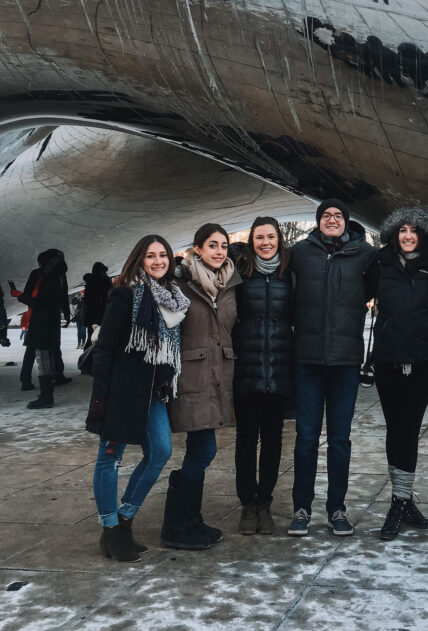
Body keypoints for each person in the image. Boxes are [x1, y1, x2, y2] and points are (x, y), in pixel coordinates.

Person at [86, 235, 189, 562]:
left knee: (160, 450)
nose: (158, 261)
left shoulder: (173, 299)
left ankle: (125, 518)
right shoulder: (126, 295)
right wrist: (102, 397)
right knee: (110, 459)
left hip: (153, 394)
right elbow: (104, 349)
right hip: (122, 393)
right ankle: (110, 528)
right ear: (139, 260)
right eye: (150, 256)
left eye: (163, 255)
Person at [288, 199, 377, 537]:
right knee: (306, 438)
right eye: (326, 215)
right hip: (308, 360)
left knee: (340, 439)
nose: (332, 220)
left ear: (347, 222)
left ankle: (337, 508)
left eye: (339, 215)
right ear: (317, 221)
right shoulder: (299, 253)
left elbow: (378, 288)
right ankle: (301, 508)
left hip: (345, 361)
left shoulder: (364, 256)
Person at [161, 223, 239, 550]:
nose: (219, 251)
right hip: (191, 379)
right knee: (204, 449)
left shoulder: (231, 285)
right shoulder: (180, 285)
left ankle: (189, 519)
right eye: (212, 245)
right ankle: (176, 524)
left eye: (223, 245)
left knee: (201, 449)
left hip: (219, 378)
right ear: (198, 249)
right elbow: (165, 331)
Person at [368, 207, 428, 540]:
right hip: (387, 360)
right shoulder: (380, 264)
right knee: (395, 429)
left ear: (423, 236)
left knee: (409, 430)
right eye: (402, 230)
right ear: (394, 235)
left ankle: (399, 502)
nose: (408, 236)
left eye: (414, 230)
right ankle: (403, 499)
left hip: (422, 362)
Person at [232, 217, 294, 536]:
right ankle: (247, 504)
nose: (265, 243)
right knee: (245, 441)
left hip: (280, 369)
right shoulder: (241, 273)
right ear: (252, 241)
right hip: (247, 368)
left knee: (272, 442)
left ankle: (264, 503)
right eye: (260, 237)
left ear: (279, 240)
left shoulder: (289, 274)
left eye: (271, 237)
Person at [19, 250, 71, 409]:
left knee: (42, 358)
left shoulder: (46, 277)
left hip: (41, 321)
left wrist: (20, 297)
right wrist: (67, 314)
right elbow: (63, 298)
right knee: (48, 355)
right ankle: (46, 392)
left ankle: (46, 396)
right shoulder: (60, 277)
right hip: (52, 321)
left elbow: (39, 301)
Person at [83, 261, 111, 344]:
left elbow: (86, 300)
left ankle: (87, 355)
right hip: (101, 316)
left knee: (90, 337)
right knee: (101, 338)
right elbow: (108, 298)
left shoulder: (89, 282)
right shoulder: (104, 282)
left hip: (90, 316)